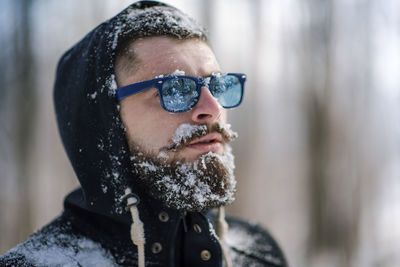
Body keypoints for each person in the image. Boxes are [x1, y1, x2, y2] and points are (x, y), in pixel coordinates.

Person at [0, 1, 287, 266]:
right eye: (175, 90)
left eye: (217, 85)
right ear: (106, 120)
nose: (211, 108)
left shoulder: (259, 253)